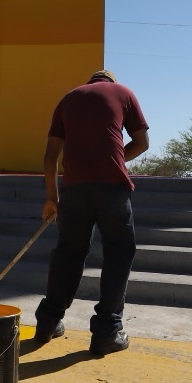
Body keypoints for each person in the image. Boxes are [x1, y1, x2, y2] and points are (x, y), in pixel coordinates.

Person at [27, 69, 149, 357]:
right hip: (112, 188)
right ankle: (107, 332)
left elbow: (50, 156)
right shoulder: (124, 93)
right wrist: (115, 160)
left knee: (68, 253)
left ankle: (48, 322)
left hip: (74, 189)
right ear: (110, 82)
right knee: (118, 253)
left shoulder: (67, 99)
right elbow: (142, 143)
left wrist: (51, 198)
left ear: (91, 82)